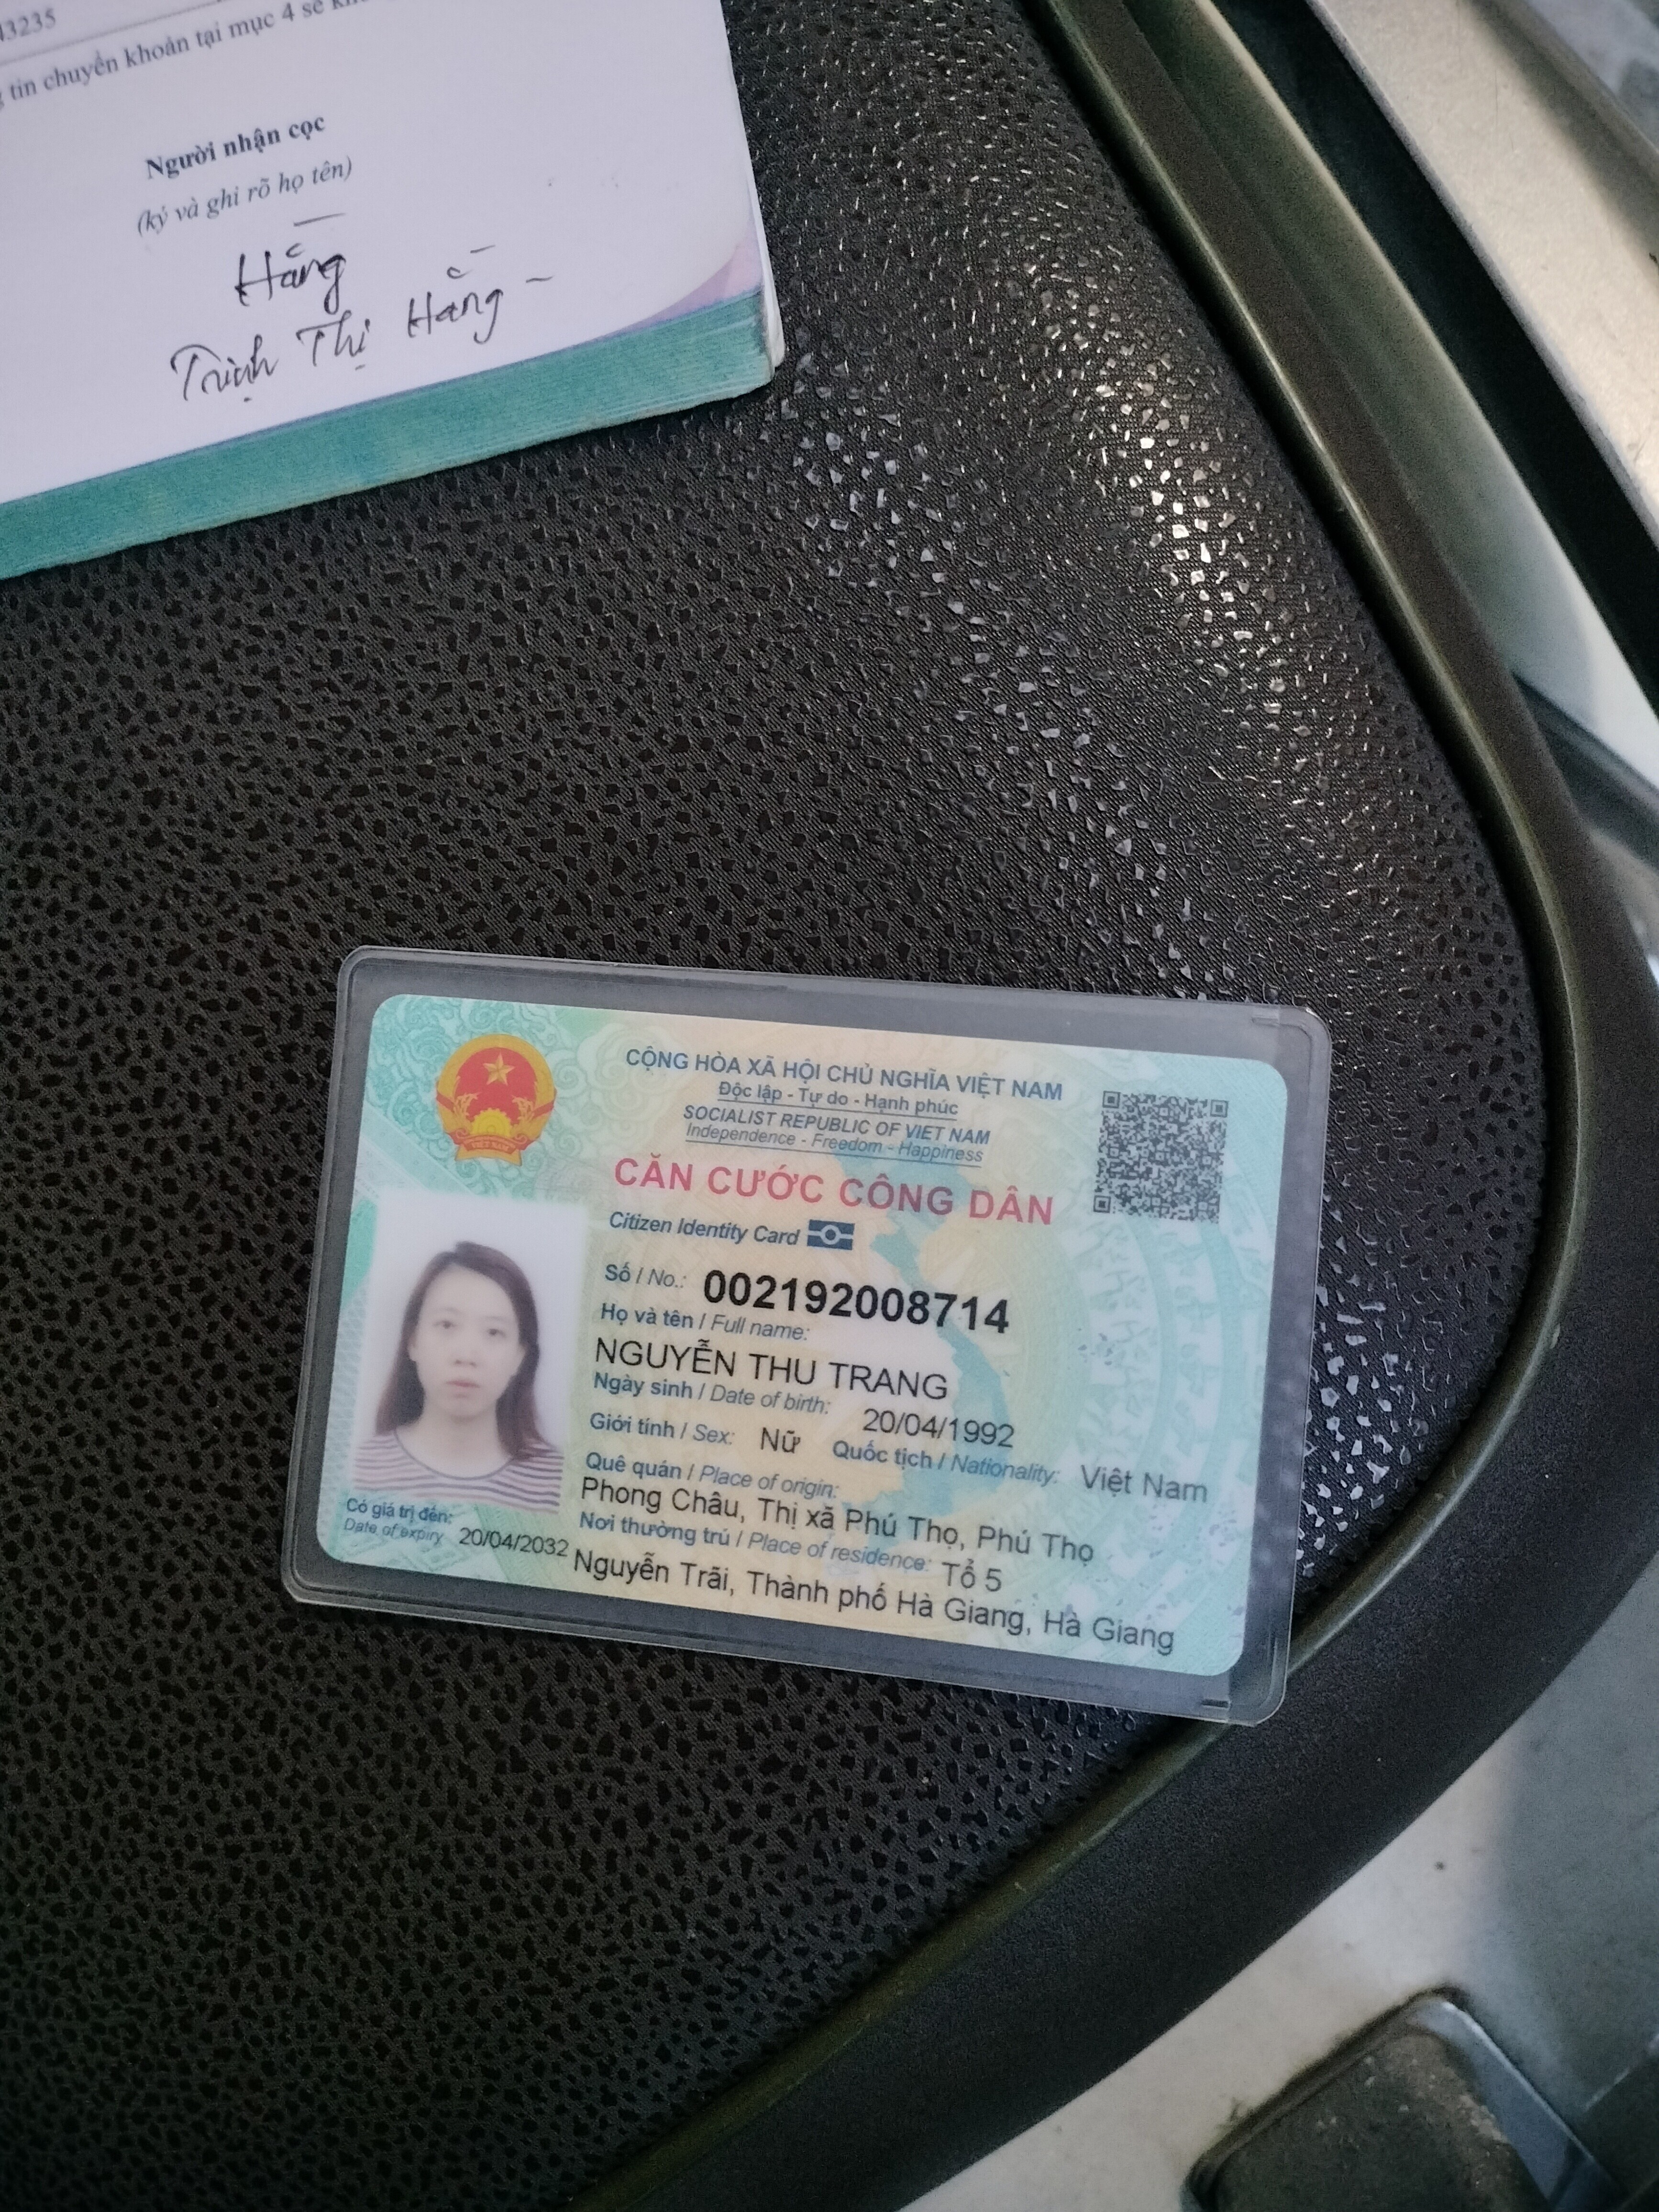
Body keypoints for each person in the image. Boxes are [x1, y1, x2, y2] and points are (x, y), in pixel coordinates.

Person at [354, 1241, 562, 1509]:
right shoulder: (361, 1469)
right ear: (413, 1341)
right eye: (447, 1325)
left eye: (494, 1332)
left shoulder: (557, 1483)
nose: (466, 1356)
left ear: (519, 1356)